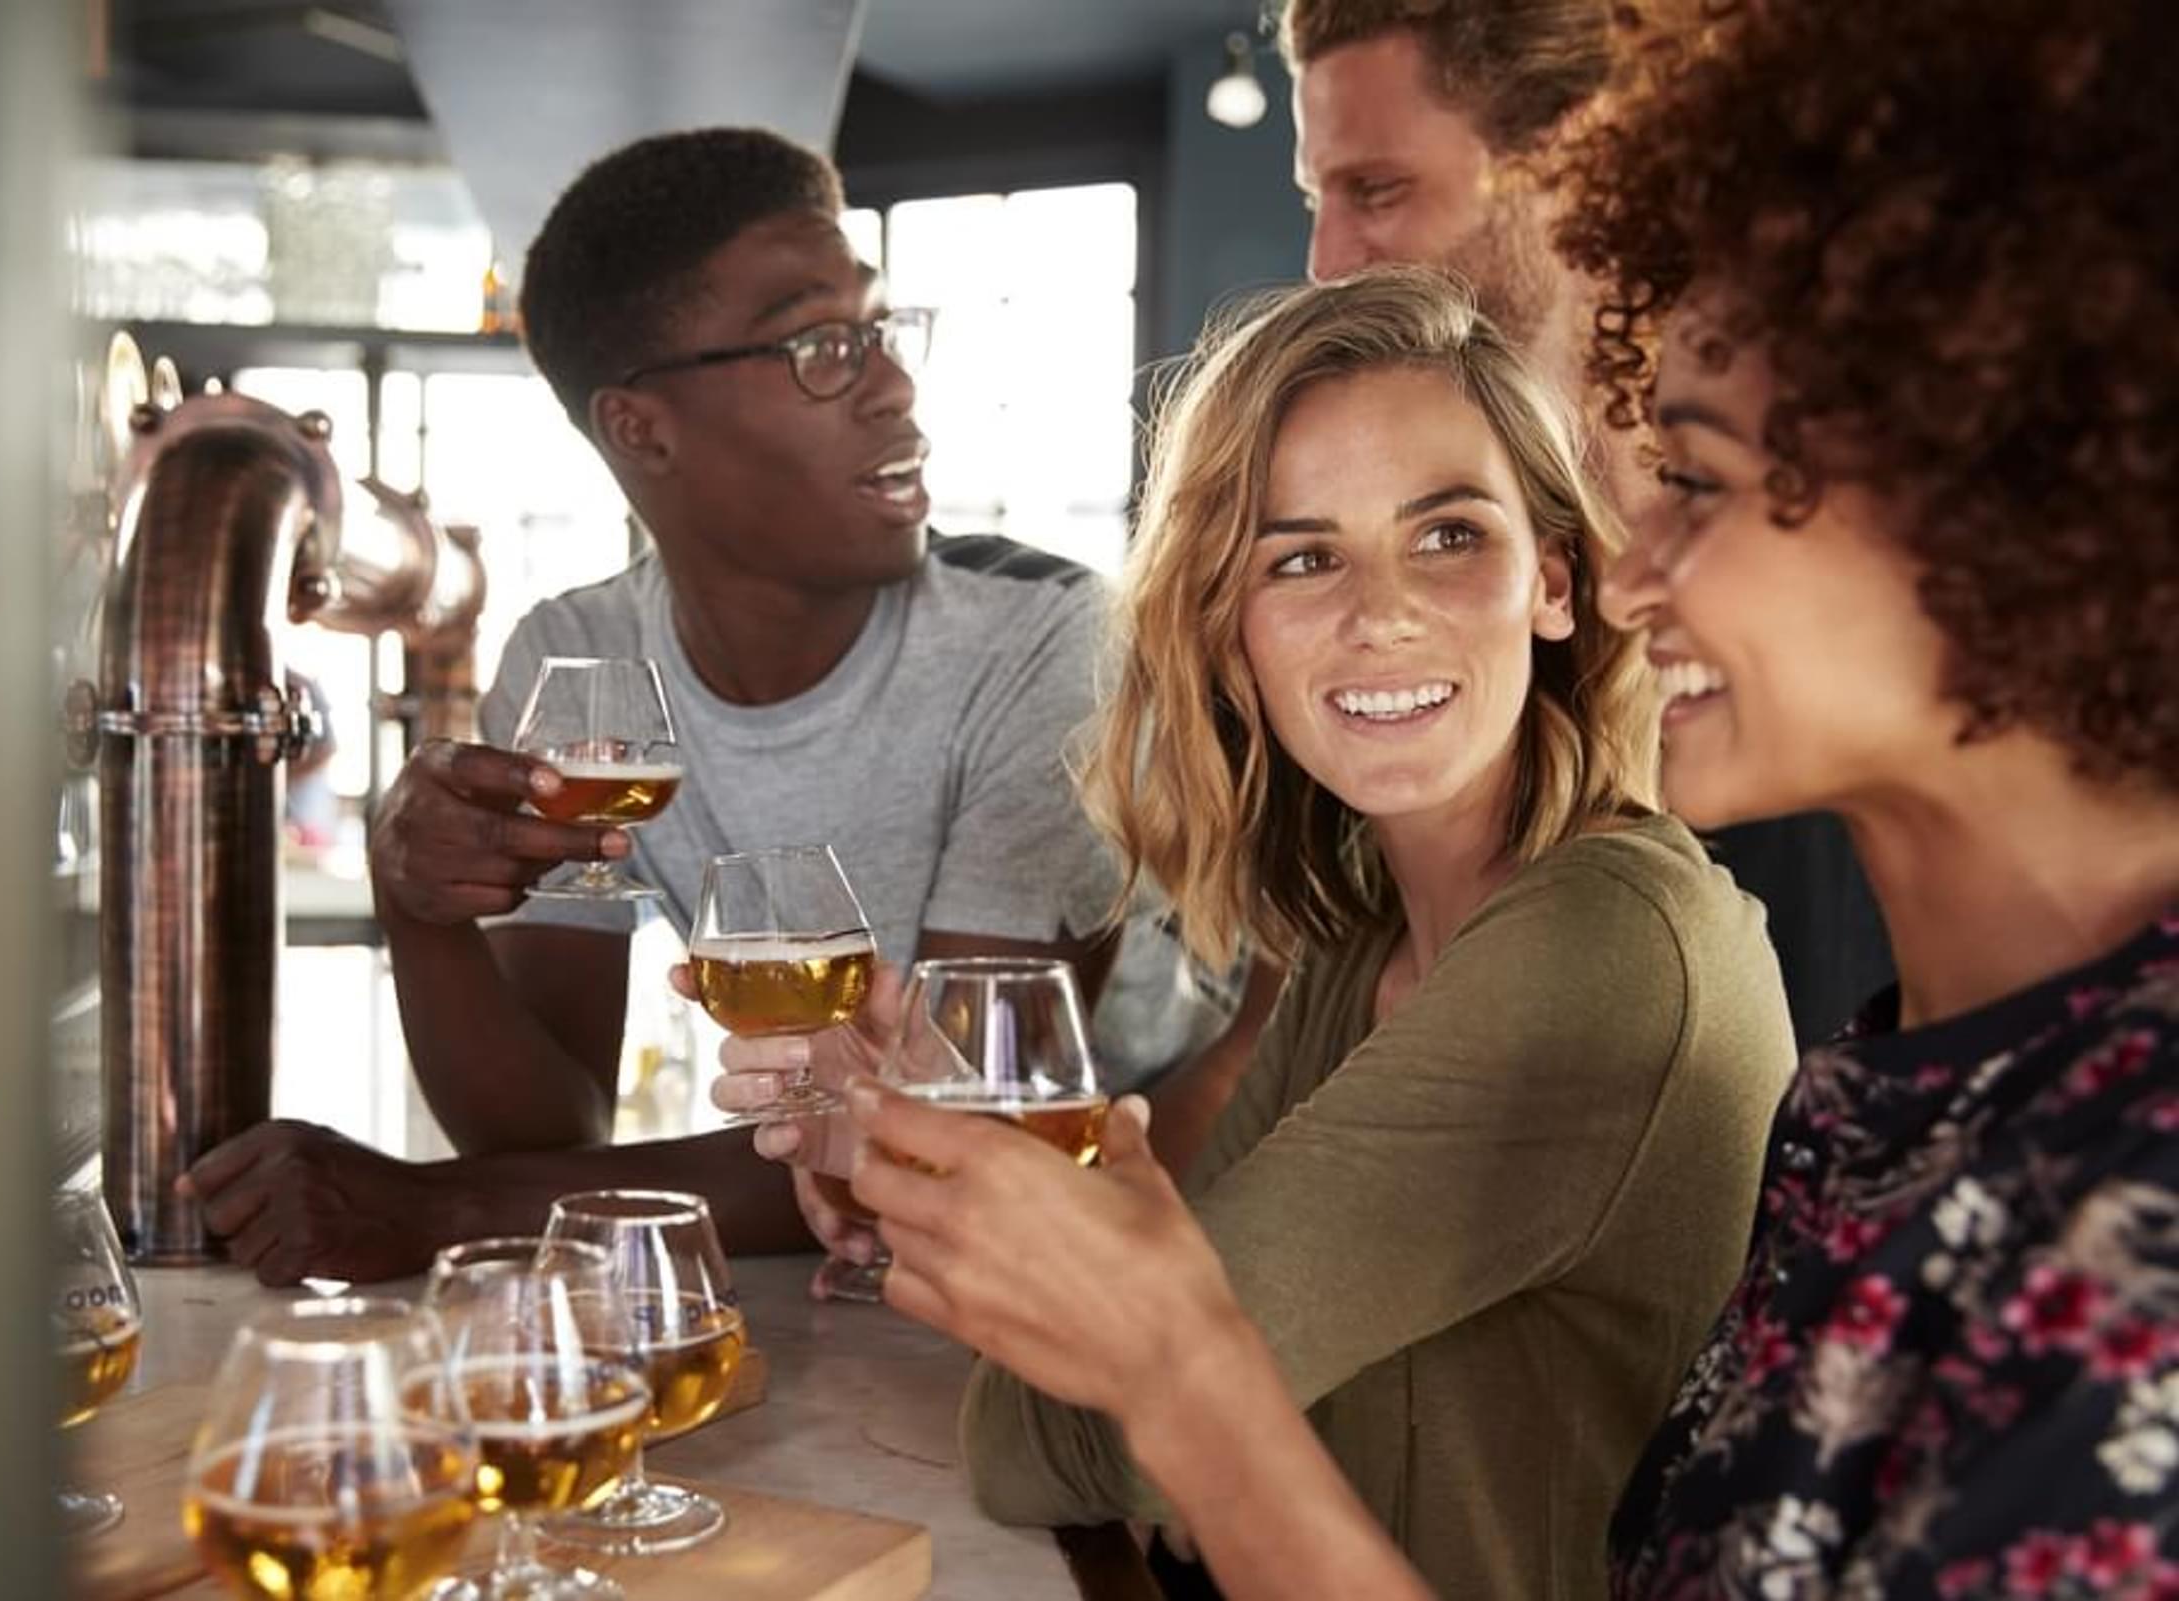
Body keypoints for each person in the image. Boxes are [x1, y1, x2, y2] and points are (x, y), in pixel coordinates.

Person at [841, 2, 2179, 1596]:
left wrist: (1180, 1373)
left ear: (1997, 500)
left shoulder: (2120, 1201)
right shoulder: (1881, 1097)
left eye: (1694, 479)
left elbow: (1092, 1408)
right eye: (1300, 557)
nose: (1637, 573)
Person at [744, 266, 1796, 1598]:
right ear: (1233, 641)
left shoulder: (1600, 950)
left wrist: (974, 1178)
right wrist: (944, 1137)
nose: (1382, 610)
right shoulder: (1365, 936)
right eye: (1302, 557)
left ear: (1557, 582)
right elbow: (1163, 1324)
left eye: (1450, 535)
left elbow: (1062, 1438)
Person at [177, 127, 1242, 1286]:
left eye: (878, 329)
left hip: (1171, 1229)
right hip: (889, 1256)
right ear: (641, 426)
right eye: (822, 345)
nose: (893, 385)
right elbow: (545, 1124)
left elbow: (959, 1122)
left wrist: (433, 1208)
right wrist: (417, 899)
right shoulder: (577, 658)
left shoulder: (1044, 640)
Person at [1283, 0, 1890, 1046]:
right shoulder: (1442, 605)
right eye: (1317, 197)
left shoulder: (1830, 526)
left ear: (1569, 157)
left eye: (1376, 190)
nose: (1326, 260)